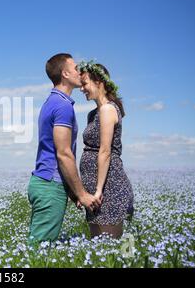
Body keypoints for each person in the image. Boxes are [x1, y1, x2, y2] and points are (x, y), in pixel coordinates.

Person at [27, 53, 101, 245]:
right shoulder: (62, 106)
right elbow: (64, 154)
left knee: (40, 248)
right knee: (39, 253)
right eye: (76, 68)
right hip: (50, 186)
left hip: (44, 182)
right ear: (65, 73)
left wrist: (72, 191)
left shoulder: (50, 102)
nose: (80, 72)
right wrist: (82, 194)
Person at [78, 60, 134, 239]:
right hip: (96, 188)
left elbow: (105, 152)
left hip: (109, 187)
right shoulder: (93, 113)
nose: (81, 88)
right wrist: (83, 191)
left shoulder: (108, 110)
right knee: (99, 246)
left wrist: (98, 190)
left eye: (85, 83)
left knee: (114, 247)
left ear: (98, 83)